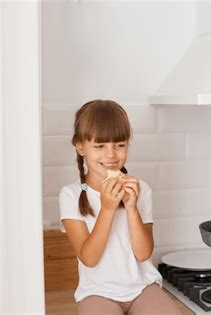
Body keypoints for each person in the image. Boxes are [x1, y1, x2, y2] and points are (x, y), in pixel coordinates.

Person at [59, 100, 181, 314]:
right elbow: (89, 258)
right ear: (80, 147)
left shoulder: (141, 189)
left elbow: (143, 254)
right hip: (97, 292)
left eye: (120, 145)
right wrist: (107, 209)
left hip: (143, 287)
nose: (111, 155)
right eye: (99, 146)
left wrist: (131, 208)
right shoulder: (70, 195)